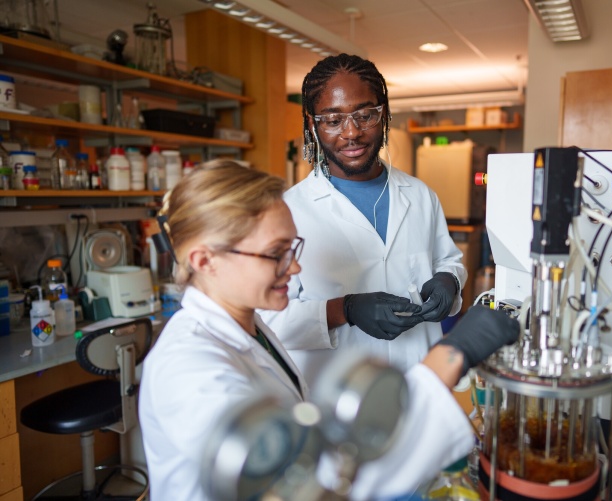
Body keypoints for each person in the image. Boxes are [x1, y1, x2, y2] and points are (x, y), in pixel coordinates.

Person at [138, 160, 520, 501]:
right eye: (276, 253)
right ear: (205, 260)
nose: (295, 268)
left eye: (293, 248)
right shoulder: (188, 369)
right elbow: (303, 484)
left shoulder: (248, 330)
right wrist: (450, 356)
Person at [259, 53, 466, 383]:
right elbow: (266, 322)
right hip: (336, 397)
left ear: (384, 116)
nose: (351, 132)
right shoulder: (287, 211)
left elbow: (448, 259)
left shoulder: (420, 194)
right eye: (332, 120)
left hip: (420, 381)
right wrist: (343, 310)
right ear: (312, 125)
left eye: (365, 115)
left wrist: (449, 281)